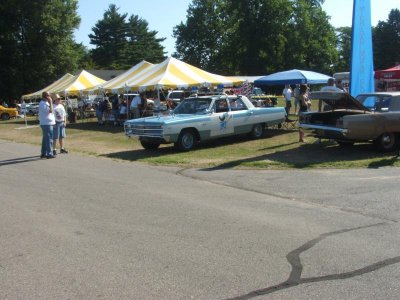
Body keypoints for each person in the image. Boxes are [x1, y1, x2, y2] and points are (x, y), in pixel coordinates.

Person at [38, 91, 56, 158]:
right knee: (49, 139)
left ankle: (43, 153)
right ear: (45, 96)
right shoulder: (43, 103)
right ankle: (49, 153)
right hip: (46, 123)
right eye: (48, 96)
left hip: (48, 123)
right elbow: (50, 111)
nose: (49, 97)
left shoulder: (45, 103)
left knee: (45, 139)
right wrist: (51, 102)